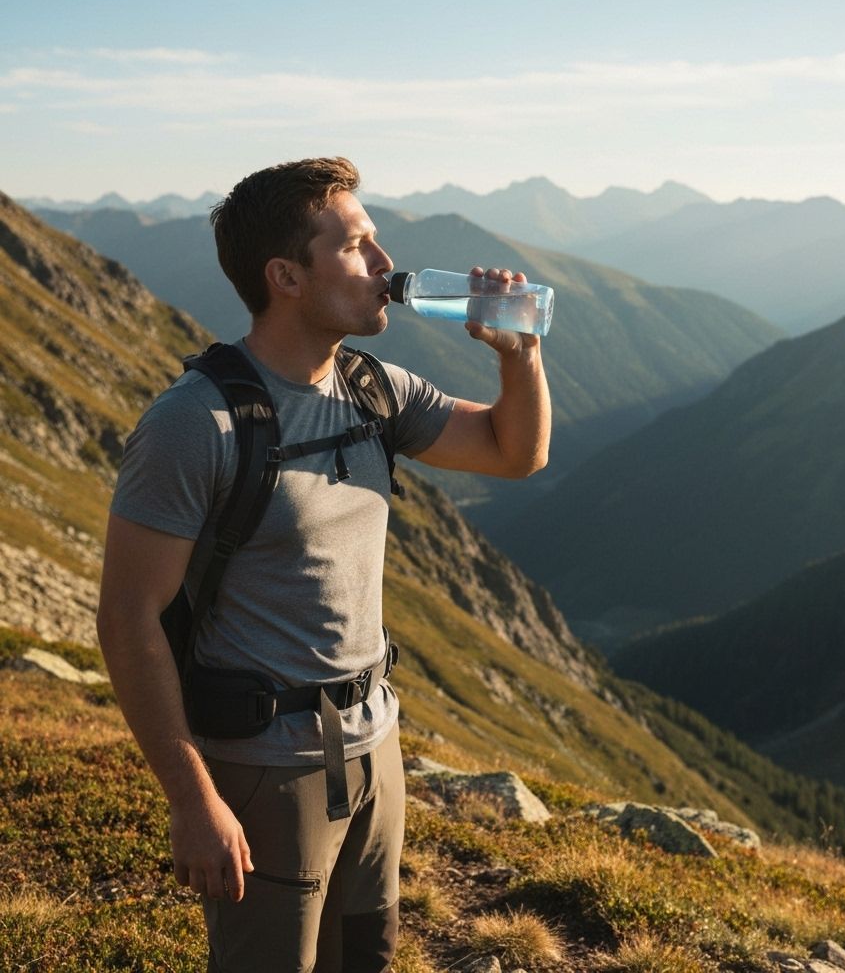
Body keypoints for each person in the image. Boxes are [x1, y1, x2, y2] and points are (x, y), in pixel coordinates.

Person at [96, 156, 551, 973]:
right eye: (357, 247)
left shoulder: (372, 388)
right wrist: (191, 797)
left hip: (375, 743)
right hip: (267, 766)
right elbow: (126, 618)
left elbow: (515, 453)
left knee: (367, 959)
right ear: (287, 277)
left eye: (377, 243)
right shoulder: (193, 425)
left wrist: (518, 355)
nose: (386, 265)